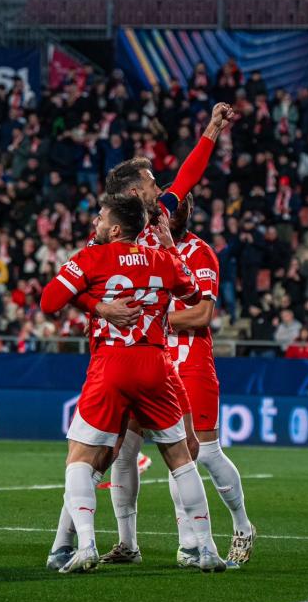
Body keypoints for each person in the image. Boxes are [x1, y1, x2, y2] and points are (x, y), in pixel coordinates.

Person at [39, 194, 226, 574]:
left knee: (80, 457)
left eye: (101, 219)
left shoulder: (93, 257)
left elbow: (49, 301)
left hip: (111, 363)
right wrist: (172, 253)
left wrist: (97, 304)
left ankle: (86, 543)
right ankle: (205, 549)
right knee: (180, 459)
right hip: (156, 364)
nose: (96, 224)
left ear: (116, 228)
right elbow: (192, 294)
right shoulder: (161, 259)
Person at [101, 193, 255, 569]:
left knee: (203, 452)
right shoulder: (146, 247)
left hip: (191, 363)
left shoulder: (201, 254)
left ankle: (242, 526)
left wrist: (156, 316)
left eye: (183, 207)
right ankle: (159, 544)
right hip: (151, 361)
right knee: (129, 450)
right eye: (171, 208)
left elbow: (202, 315)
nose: (175, 213)